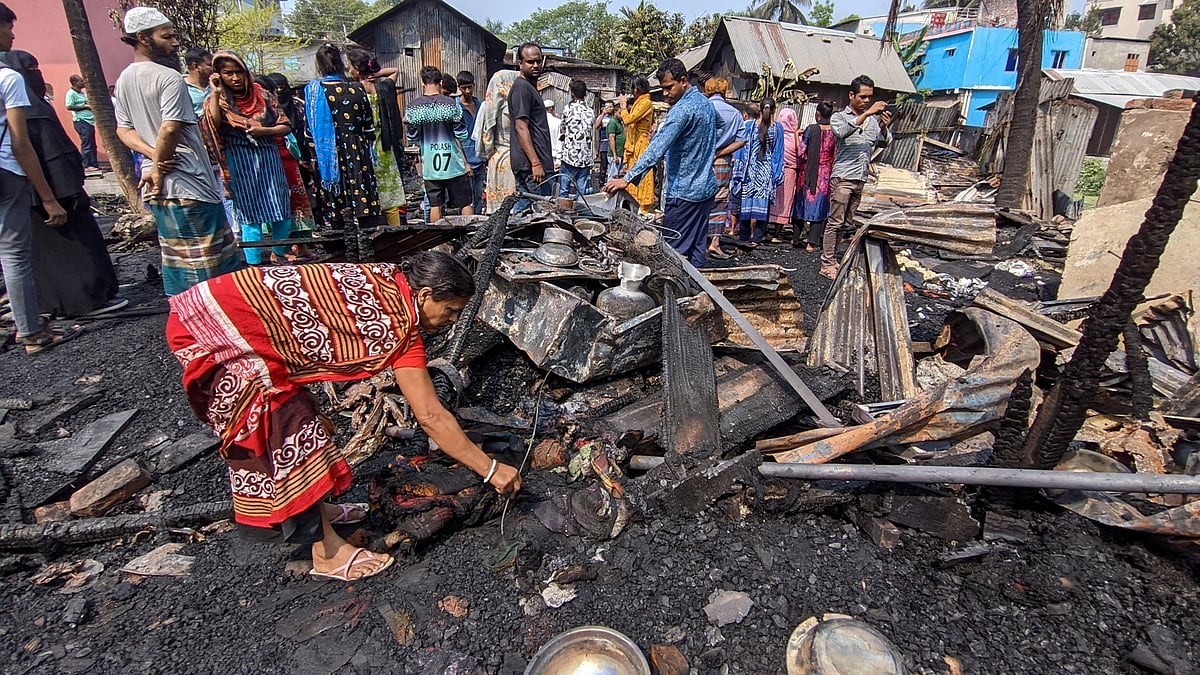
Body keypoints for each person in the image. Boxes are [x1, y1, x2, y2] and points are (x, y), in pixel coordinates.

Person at [166, 251, 523, 581]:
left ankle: (319, 512)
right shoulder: (394, 323)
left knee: (303, 417)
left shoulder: (389, 283)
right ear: (427, 294)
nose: (451, 321)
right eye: (451, 311)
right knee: (287, 426)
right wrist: (490, 469)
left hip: (223, 317)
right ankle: (327, 553)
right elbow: (430, 415)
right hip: (212, 329)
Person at [113, 6, 241, 296]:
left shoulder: (124, 79)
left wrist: (153, 160)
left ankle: (184, 321)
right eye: (167, 36)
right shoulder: (168, 77)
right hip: (188, 183)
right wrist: (160, 163)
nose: (174, 42)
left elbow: (124, 130)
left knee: (176, 259)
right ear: (144, 38)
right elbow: (170, 128)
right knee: (207, 263)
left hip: (157, 185)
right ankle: (211, 328)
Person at [1, 49, 123, 318]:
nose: (36, 74)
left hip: (39, 192)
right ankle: (84, 299)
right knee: (69, 250)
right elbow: (39, 152)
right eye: (30, 69)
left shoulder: (29, 105)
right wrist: (53, 196)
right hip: (53, 192)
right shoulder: (25, 110)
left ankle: (59, 302)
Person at [0, 2, 78, 354]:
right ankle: (31, 331)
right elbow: (21, 143)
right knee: (14, 253)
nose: (12, 34)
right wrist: (47, 196)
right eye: (7, 27)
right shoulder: (8, 77)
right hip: (6, 174)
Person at [604, 58, 721, 268]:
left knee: (670, 255)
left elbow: (656, 148)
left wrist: (627, 178)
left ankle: (674, 297)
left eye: (669, 88)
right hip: (706, 189)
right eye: (663, 89)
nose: (665, 94)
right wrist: (704, 148)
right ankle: (697, 295)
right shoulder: (705, 103)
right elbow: (721, 126)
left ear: (683, 81)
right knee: (696, 250)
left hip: (685, 192)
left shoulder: (681, 111)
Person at [201, 52, 292, 266]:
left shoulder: (264, 96)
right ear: (219, 76)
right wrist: (215, 93)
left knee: (281, 210)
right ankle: (254, 264)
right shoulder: (217, 100)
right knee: (250, 216)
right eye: (228, 73)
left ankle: (279, 255)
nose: (235, 78)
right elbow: (213, 124)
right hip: (239, 158)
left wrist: (264, 131)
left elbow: (286, 125)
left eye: (238, 72)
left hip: (268, 156)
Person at [304, 43, 383, 262]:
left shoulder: (313, 91)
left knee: (336, 208)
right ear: (342, 64)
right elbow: (369, 127)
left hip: (329, 158)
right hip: (357, 153)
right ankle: (371, 254)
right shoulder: (357, 89)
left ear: (320, 66)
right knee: (364, 203)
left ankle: (341, 256)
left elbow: (309, 134)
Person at [823, 74, 892, 279]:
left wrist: (883, 127)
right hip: (843, 177)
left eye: (869, 97)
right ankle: (827, 262)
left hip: (859, 178)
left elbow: (883, 142)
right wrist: (867, 114)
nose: (866, 101)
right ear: (851, 95)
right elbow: (841, 132)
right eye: (862, 97)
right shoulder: (840, 117)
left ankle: (836, 258)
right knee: (835, 221)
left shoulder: (872, 122)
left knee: (847, 223)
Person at [346, 48, 407, 227]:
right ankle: (395, 234)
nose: (348, 70)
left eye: (350, 66)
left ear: (357, 68)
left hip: (365, 152)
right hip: (386, 150)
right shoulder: (384, 87)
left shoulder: (354, 92)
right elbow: (394, 70)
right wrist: (374, 73)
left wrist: (365, 75)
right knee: (392, 198)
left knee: (372, 195)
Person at [405, 65, 473, 223]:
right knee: (464, 203)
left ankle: (438, 243)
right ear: (441, 82)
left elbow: (412, 137)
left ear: (423, 83)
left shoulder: (413, 107)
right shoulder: (451, 104)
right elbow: (462, 134)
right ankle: (472, 238)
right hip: (454, 164)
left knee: (436, 205)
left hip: (430, 165)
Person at [267, 71, 324, 248]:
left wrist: (308, 158)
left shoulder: (298, 107)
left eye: (282, 89)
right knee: (281, 204)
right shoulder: (267, 112)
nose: (279, 92)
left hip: (300, 162)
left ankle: (302, 243)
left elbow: (307, 132)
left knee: (303, 202)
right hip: (275, 163)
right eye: (275, 89)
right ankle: (284, 246)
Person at [509, 43, 554, 213]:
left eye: (538, 61)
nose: (535, 65)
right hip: (531, 167)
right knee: (533, 211)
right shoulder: (522, 88)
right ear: (520, 63)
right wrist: (535, 163)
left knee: (532, 210)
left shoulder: (529, 87)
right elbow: (521, 127)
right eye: (530, 62)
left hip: (536, 164)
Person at [705, 77, 744, 260]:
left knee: (700, 199)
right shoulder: (735, 113)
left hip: (700, 160)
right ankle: (714, 243)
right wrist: (720, 153)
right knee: (720, 201)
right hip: (722, 162)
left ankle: (699, 241)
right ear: (725, 91)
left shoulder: (704, 108)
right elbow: (742, 141)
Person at [736, 97, 784, 245]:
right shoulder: (777, 128)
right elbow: (778, 153)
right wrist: (777, 175)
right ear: (774, 110)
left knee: (745, 205)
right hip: (766, 172)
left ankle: (743, 238)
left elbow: (741, 148)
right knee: (763, 208)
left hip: (749, 171)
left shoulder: (749, 125)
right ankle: (757, 238)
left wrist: (738, 172)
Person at [794, 100, 836, 252]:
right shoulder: (835, 132)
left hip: (808, 171)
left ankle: (796, 238)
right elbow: (835, 154)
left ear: (817, 113)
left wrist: (796, 137)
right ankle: (811, 243)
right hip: (825, 172)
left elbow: (801, 152)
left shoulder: (810, 129)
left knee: (802, 202)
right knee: (819, 205)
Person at [477, 69, 519, 213]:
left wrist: (490, 154)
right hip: (517, 159)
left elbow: (487, 132)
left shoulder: (494, 108)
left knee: (498, 214)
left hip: (499, 158)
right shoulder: (520, 102)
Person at [618, 76, 654, 214]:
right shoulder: (638, 103)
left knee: (643, 178)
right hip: (633, 145)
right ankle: (632, 207)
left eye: (632, 89)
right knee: (631, 177)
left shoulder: (646, 103)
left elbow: (628, 120)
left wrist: (623, 106)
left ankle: (643, 210)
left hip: (642, 146)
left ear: (636, 89)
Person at [768, 107, 801, 242]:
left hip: (773, 170)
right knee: (785, 201)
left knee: (772, 199)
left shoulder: (775, 134)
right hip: (790, 172)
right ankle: (777, 234)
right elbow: (800, 155)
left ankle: (763, 229)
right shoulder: (796, 138)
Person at [456, 70, 487, 214]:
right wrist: (464, 162)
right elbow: (455, 137)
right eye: (464, 88)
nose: (467, 91)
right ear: (459, 87)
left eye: (470, 87)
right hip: (463, 160)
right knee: (465, 200)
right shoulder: (455, 107)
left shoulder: (480, 105)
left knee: (479, 195)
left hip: (479, 158)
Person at [558, 79, 594, 199]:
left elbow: (562, 127)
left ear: (572, 93)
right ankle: (581, 213)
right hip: (585, 157)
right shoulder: (590, 111)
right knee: (581, 191)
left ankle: (562, 213)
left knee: (564, 189)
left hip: (570, 156)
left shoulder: (568, 109)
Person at [64, 74, 101, 177]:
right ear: (75, 83)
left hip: (89, 121)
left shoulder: (81, 93)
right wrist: (85, 106)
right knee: (87, 144)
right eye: (81, 81)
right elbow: (69, 106)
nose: (83, 83)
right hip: (81, 121)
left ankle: (93, 163)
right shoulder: (71, 93)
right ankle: (87, 164)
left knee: (92, 143)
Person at [182, 48, 212, 117]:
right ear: (195, 66)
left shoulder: (216, 85)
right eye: (209, 65)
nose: (213, 68)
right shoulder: (181, 87)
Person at [605, 102, 624, 180]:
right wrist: (615, 155)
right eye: (620, 113)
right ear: (615, 112)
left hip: (620, 153)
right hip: (615, 154)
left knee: (618, 176)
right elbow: (611, 138)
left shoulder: (619, 122)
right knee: (613, 176)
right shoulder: (613, 122)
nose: (621, 115)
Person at [595, 101, 612, 180]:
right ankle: (601, 182)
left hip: (613, 144)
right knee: (604, 164)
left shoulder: (615, 117)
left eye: (611, 107)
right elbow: (596, 126)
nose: (609, 109)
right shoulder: (602, 117)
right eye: (607, 107)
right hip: (604, 144)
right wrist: (603, 114)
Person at [544, 98, 561, 167]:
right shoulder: (558, 122)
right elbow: (560, 140)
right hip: (554, 156)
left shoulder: (538, 123)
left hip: (542, 156)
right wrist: (559, 158)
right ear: (552, 109)